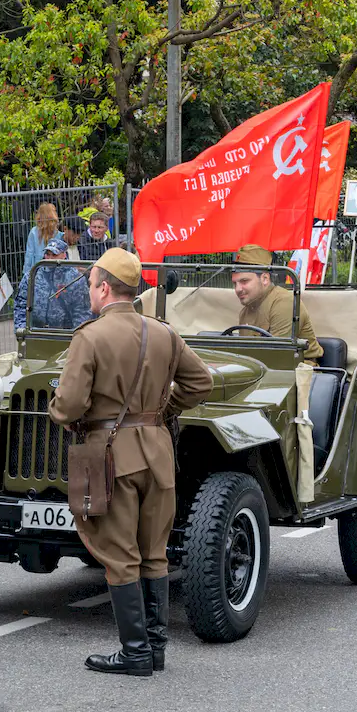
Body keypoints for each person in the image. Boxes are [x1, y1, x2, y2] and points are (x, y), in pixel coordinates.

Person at [48, 248, 213, 676]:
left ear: (104, 288)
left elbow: (67, 406)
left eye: (90, 285)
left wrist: (61, 412)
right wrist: (162, 412)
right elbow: (201, 382)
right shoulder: (163, 333)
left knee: (121, 557)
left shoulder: (91, 336)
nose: (90, 292)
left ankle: (135, 652)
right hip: (158, 453)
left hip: (110, 456)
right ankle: (155, 649)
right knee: (153, 554)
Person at [230, 245, 324, 362]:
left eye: (244, 281)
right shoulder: (246, 311)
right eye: (235, 283)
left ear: (265, 279)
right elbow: (245, 354)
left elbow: (279, 356)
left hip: (299, 371)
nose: (238, 289)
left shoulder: (284, 303)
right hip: (264, 370)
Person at [15, 236, 92, 331]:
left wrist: (78, 335)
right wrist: (21, 328)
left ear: (64, 255)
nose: (49, 258)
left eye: (54, 255)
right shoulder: (32, 275)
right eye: (47, 254)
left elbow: (82, 310)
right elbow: (21, 304)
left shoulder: (75, 278)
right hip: (36, 331)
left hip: (64, 332)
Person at [23, 202, 60, 280]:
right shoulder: (57, 233)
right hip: (54, 270)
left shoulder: (33, 232)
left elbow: (29, 255)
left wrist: (26, 273)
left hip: (37, 270)